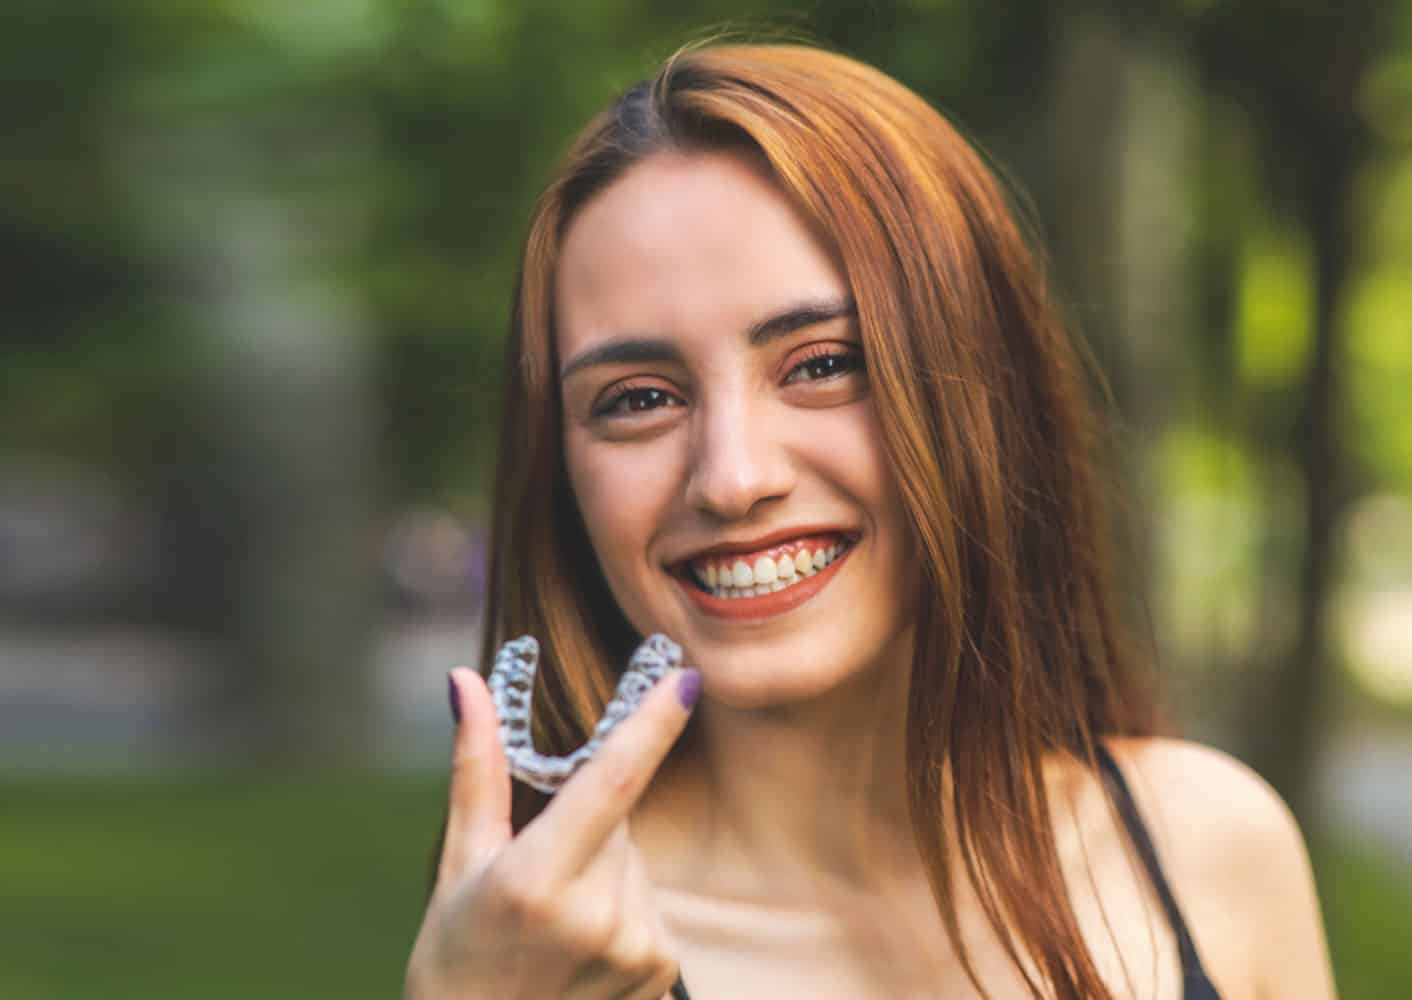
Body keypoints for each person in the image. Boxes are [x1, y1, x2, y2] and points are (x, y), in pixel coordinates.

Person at [405, 42, 1335, 999]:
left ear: (986, 390)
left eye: (821, 364)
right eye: (640, 398)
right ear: (560, 474)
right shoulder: (554, 951)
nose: (731, 478)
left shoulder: (1210, 850)